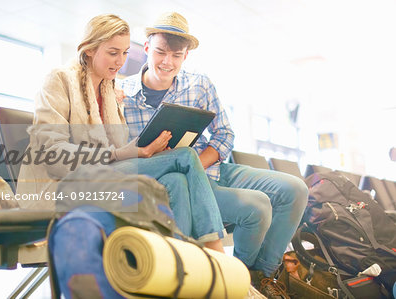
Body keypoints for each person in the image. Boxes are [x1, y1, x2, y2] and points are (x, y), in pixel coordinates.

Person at [119, 11, 309, 296]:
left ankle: (262, 278)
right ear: (146, 47)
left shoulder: (199, 84)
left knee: (295, 189)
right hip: (176, 183)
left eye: (177, 55)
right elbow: (125, 159)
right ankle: (235, 283)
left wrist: (199, 162)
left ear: (185, 56)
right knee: (257, 207)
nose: (167, 62)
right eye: (160, 52)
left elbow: (225, 135)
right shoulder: (122, 95)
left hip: (213, 167)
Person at [16, 14, 226, 252]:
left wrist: (146, 150)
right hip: (65, 185)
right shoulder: (59, 80)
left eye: (125, 53)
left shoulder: (110, 90)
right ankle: (214, 250)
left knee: (175, 180)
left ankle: (178, 269)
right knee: (186, 156)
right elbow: (53, 154)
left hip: (103, 176)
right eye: (113, 53)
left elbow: (119, 153)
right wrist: (118, 153)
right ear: (89, 50)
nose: (120, 61)